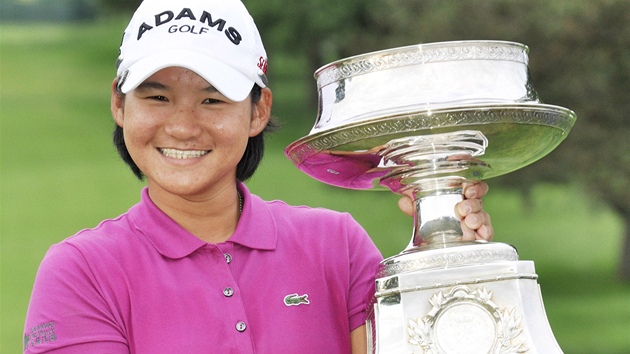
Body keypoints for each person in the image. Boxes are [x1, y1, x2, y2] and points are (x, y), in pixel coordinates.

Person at [23, 0, 493, 353]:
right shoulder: (82, 272)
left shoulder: (337, 245)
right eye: (157, 98)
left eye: (212, 100)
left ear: (257, 111)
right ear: (119, 105)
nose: (183, 126)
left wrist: (453, 271)